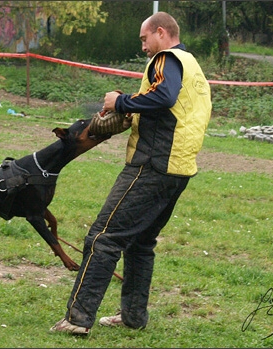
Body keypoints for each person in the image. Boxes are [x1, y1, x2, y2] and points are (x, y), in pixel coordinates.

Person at [50, 11, 212, 335]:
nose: (143, 48)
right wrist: (131, 111)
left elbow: (164, 97)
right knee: (140, 242)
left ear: (161, 33)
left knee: (103, 237)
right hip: (179, 169)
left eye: (144, 39)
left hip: (152, 165)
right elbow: (172, 104)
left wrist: (120, 101)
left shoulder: (165, 59)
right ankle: (133, 316)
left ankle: (77, 319)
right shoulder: (192, 65)